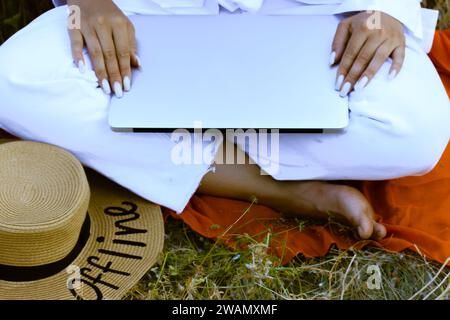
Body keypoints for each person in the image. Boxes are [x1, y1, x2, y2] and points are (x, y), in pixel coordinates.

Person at [0, 0, 448, 241]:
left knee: (417, 133)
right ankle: (277, 187)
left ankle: (173, 144)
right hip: (146, 11)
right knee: (11, 82)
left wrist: (382, 9)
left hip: (310, 12)